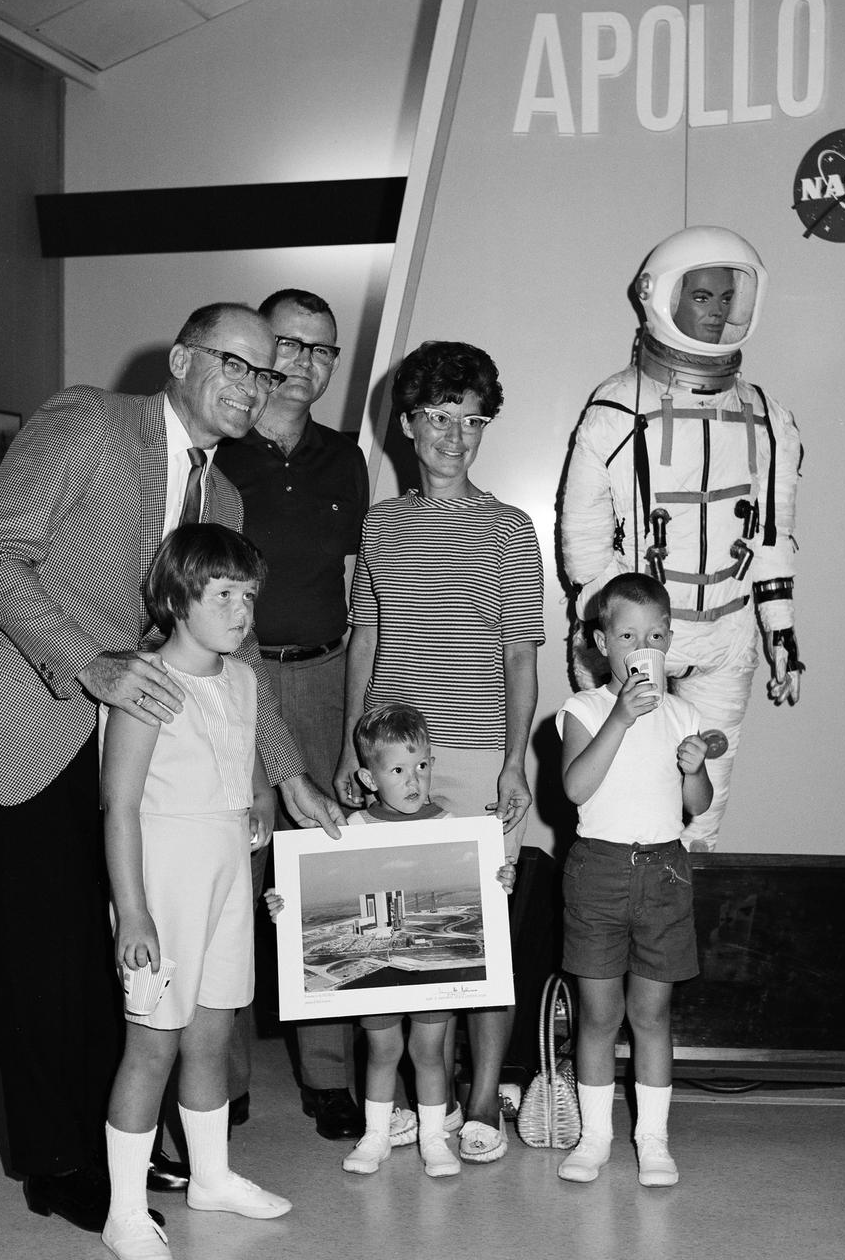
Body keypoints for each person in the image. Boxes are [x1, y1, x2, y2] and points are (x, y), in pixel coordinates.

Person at [0, 302, 339, 1234]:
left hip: (136, 751)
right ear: (183, 360)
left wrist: (285, 770)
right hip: (23, 725)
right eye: (233, 364)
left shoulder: (223, 501)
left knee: (126, 958)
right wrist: (89, 660)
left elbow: (221, 656)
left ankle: (123, 1145)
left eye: (267, 373)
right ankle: (60, 1163)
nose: (251, 385)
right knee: (46, 961)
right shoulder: (88, 422)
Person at [333, 341, 544, 1164]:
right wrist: (358, 738)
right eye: (439, 419)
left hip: (478, 754)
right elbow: (368, 633)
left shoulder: (507, 529)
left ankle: (482, 1097)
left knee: (479, 936)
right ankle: (423, 1100)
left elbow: (522, 652)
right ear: (408, 427)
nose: (456, 437)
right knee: (398, 933)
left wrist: (513, 760)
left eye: (472, 421)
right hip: (392, 759)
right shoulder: (381, 524)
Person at [560, 226, 802, 851]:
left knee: (704, 804)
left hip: (727, 633)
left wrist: (781, 630)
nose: (718, 311)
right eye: (701, 297)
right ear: (660, 298)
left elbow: (774, 532)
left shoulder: (768, 417)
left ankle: (684, 930)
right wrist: (621, 631)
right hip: (638, 634)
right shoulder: (617, 409)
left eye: (726, 298)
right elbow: (584, 544)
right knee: (619, 793)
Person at [101, 524, 290, 1260]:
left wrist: (260, 798)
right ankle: (124, 1210)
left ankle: (210, 1174)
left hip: (225, 876)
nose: (241, 612)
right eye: (223, 595)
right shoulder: (143, 682)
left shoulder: (242, 678)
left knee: (212, 1033)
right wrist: (134, 911)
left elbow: (240, 766)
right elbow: (119, 806)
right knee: (151, 1047)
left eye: (248, 596)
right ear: (180, 598)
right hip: (162, 880)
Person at [215, 287, 367, 1142]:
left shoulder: (345, 457)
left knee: (322, 886)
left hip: (321, 681)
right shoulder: (219, 449)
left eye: (323, 350)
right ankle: (224, 1076)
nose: (305, 363)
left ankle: (328, 1076)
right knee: (232, 877)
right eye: (291, 344)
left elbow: (361, 587)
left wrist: (359, 710)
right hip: (231, 687)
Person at [271, 703, 514, 1178]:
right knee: (382, 1050)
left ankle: (433, 1138)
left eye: (422, 766)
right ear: (368, 777)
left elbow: (484, 888)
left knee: (429, 1052)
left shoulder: (453, 826)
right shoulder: (353, 830)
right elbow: (311, 884)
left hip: (426, 969)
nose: (413, 780)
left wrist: (499, 878)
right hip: (381, 963)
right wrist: (285, 903)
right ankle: (377, 1135)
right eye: (398, 769)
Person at [557, 573, 711, 1187]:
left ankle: (653, 1138)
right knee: (598, 1015)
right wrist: (618, 719)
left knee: (653, 1013)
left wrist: (695, 769)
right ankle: (595, 1137)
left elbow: (693, 803)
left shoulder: (684, 713)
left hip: (665, 870)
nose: (640, 645)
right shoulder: (585, 709)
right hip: (598, 869)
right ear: (602, 642)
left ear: (668, 640)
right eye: (626, 635)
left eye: (653, 634)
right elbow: (574, 787)